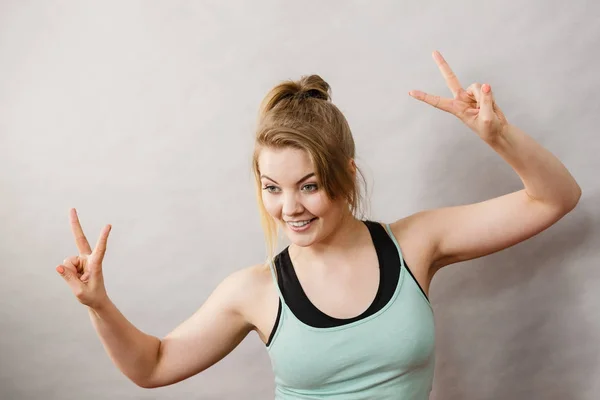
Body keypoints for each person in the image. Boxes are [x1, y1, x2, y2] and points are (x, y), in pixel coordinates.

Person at [56, 51, 582, 399]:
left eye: (309, 185)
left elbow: (555, 199)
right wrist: (99, 305)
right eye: (272, 188)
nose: (290, 208)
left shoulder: (417, 244)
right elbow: (152, 366)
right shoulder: (255, 291)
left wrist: (497, 137)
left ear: (346, 176)